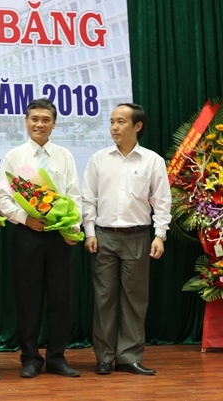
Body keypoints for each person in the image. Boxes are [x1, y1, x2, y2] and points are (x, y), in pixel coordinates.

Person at [82, 103, 171, 376]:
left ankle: (129, 357)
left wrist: (160, 235)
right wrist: (90, 232)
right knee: (104, 298)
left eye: (120, 122)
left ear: (137, 126)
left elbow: (162, 200)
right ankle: (104, 357)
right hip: (104, 236)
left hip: (138, 236)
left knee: (135, 299)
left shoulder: (152, 161)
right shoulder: (99, 158)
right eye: (112, 122)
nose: (114, 127)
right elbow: (88, 197)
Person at [0, 97, 82, 378]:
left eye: (46, 120)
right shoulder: (14, 157)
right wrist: (25, 218)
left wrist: (73, 228)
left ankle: (57, 357)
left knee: (61, 298)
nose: (39, 124)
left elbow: (74, 195)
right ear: (26, 122)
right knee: (28, 298)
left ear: (54, 124)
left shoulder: (64, 156)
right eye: (34, 119)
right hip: (27, 234)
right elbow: (3, 199)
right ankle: (30, 358)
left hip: (59, 236)